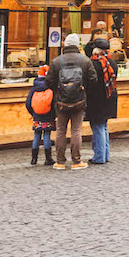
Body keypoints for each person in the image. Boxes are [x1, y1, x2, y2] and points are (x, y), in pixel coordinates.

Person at [45, 34, 96, 170]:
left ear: (65, 45)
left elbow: (48, 81)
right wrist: (83, 89)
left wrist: (59, 90)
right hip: (79, 100)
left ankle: (60, 162)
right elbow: (93, 79)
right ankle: (76, 161)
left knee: (61, 130)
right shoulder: (85, 60)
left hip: (61, 102)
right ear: (77, 45)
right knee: (76, 130)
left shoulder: (57, 61)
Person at [87, 38, 118, 165]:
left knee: (98, 127)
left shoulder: (93, 64)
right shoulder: (112, 63)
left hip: (96, 99)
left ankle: (99, 156)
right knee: (103, 126)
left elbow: (90, 82)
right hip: (109, 97)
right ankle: (105, 155)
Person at [25, 64, 55, 167]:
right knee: (47, 135)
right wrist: (53, 114)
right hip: (48, 115)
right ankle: (48, 158)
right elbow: (54, 102)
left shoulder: (35, 87)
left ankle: (34, 159)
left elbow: (28, 103)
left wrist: (33, 113)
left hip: (37, 116)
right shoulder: (51, 87)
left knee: (37, 135)